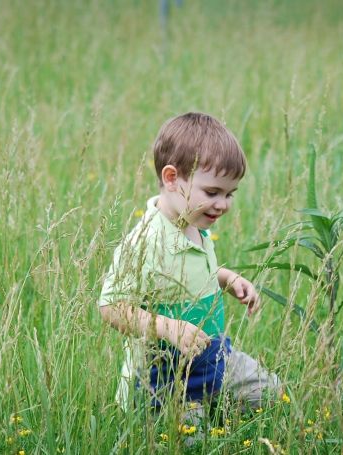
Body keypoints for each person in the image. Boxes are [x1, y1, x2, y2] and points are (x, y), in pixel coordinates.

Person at [98, 112, 280, 420]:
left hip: (212, 354)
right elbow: (110, 306)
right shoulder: (146, 240)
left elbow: (195, 274)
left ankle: (216, 404)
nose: (223, 204)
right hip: (165, 375)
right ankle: (186, 413)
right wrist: (169, 328)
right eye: (212, 192)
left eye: (229, 194)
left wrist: (227, 278)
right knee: (188, 439)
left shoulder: (195, 223)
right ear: (171, 179)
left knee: (270, 391)